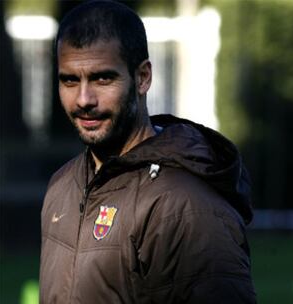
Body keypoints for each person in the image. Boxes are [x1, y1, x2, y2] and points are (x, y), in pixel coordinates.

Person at [39, 1, 256, 303]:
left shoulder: (186, 207)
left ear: (142, 77)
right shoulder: (62, 186)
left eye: (103, 78)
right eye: (70, 80)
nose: (84, 99)